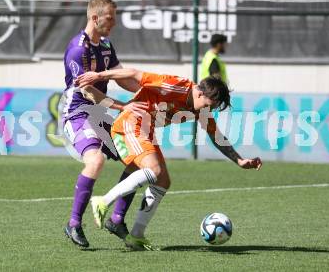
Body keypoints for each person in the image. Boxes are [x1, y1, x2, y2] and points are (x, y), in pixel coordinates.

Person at [76, 68, 262, 250]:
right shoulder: (176, 85)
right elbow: (134, 74)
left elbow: (217, 137)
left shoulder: (200, 110)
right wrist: (99, 75)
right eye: (209, 105)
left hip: (145, 130)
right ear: (199, 93)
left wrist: (239, 160)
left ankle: (136, 235)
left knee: (163, 181)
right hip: (129, 123)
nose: (209, 110)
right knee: (154, 170)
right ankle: (102, 201)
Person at [62, 0, 148, 248]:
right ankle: (74, 223)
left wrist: (147, 92)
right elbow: (89, 92)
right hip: (77, 113)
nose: (114, 23)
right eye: (110, 19)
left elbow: (122, 77)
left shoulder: (106, 45)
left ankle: (117, 219)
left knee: (137, 159)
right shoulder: (78, 49)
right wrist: (124, 105)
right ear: (94, 17)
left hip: (99, 115)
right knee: (96, 160)